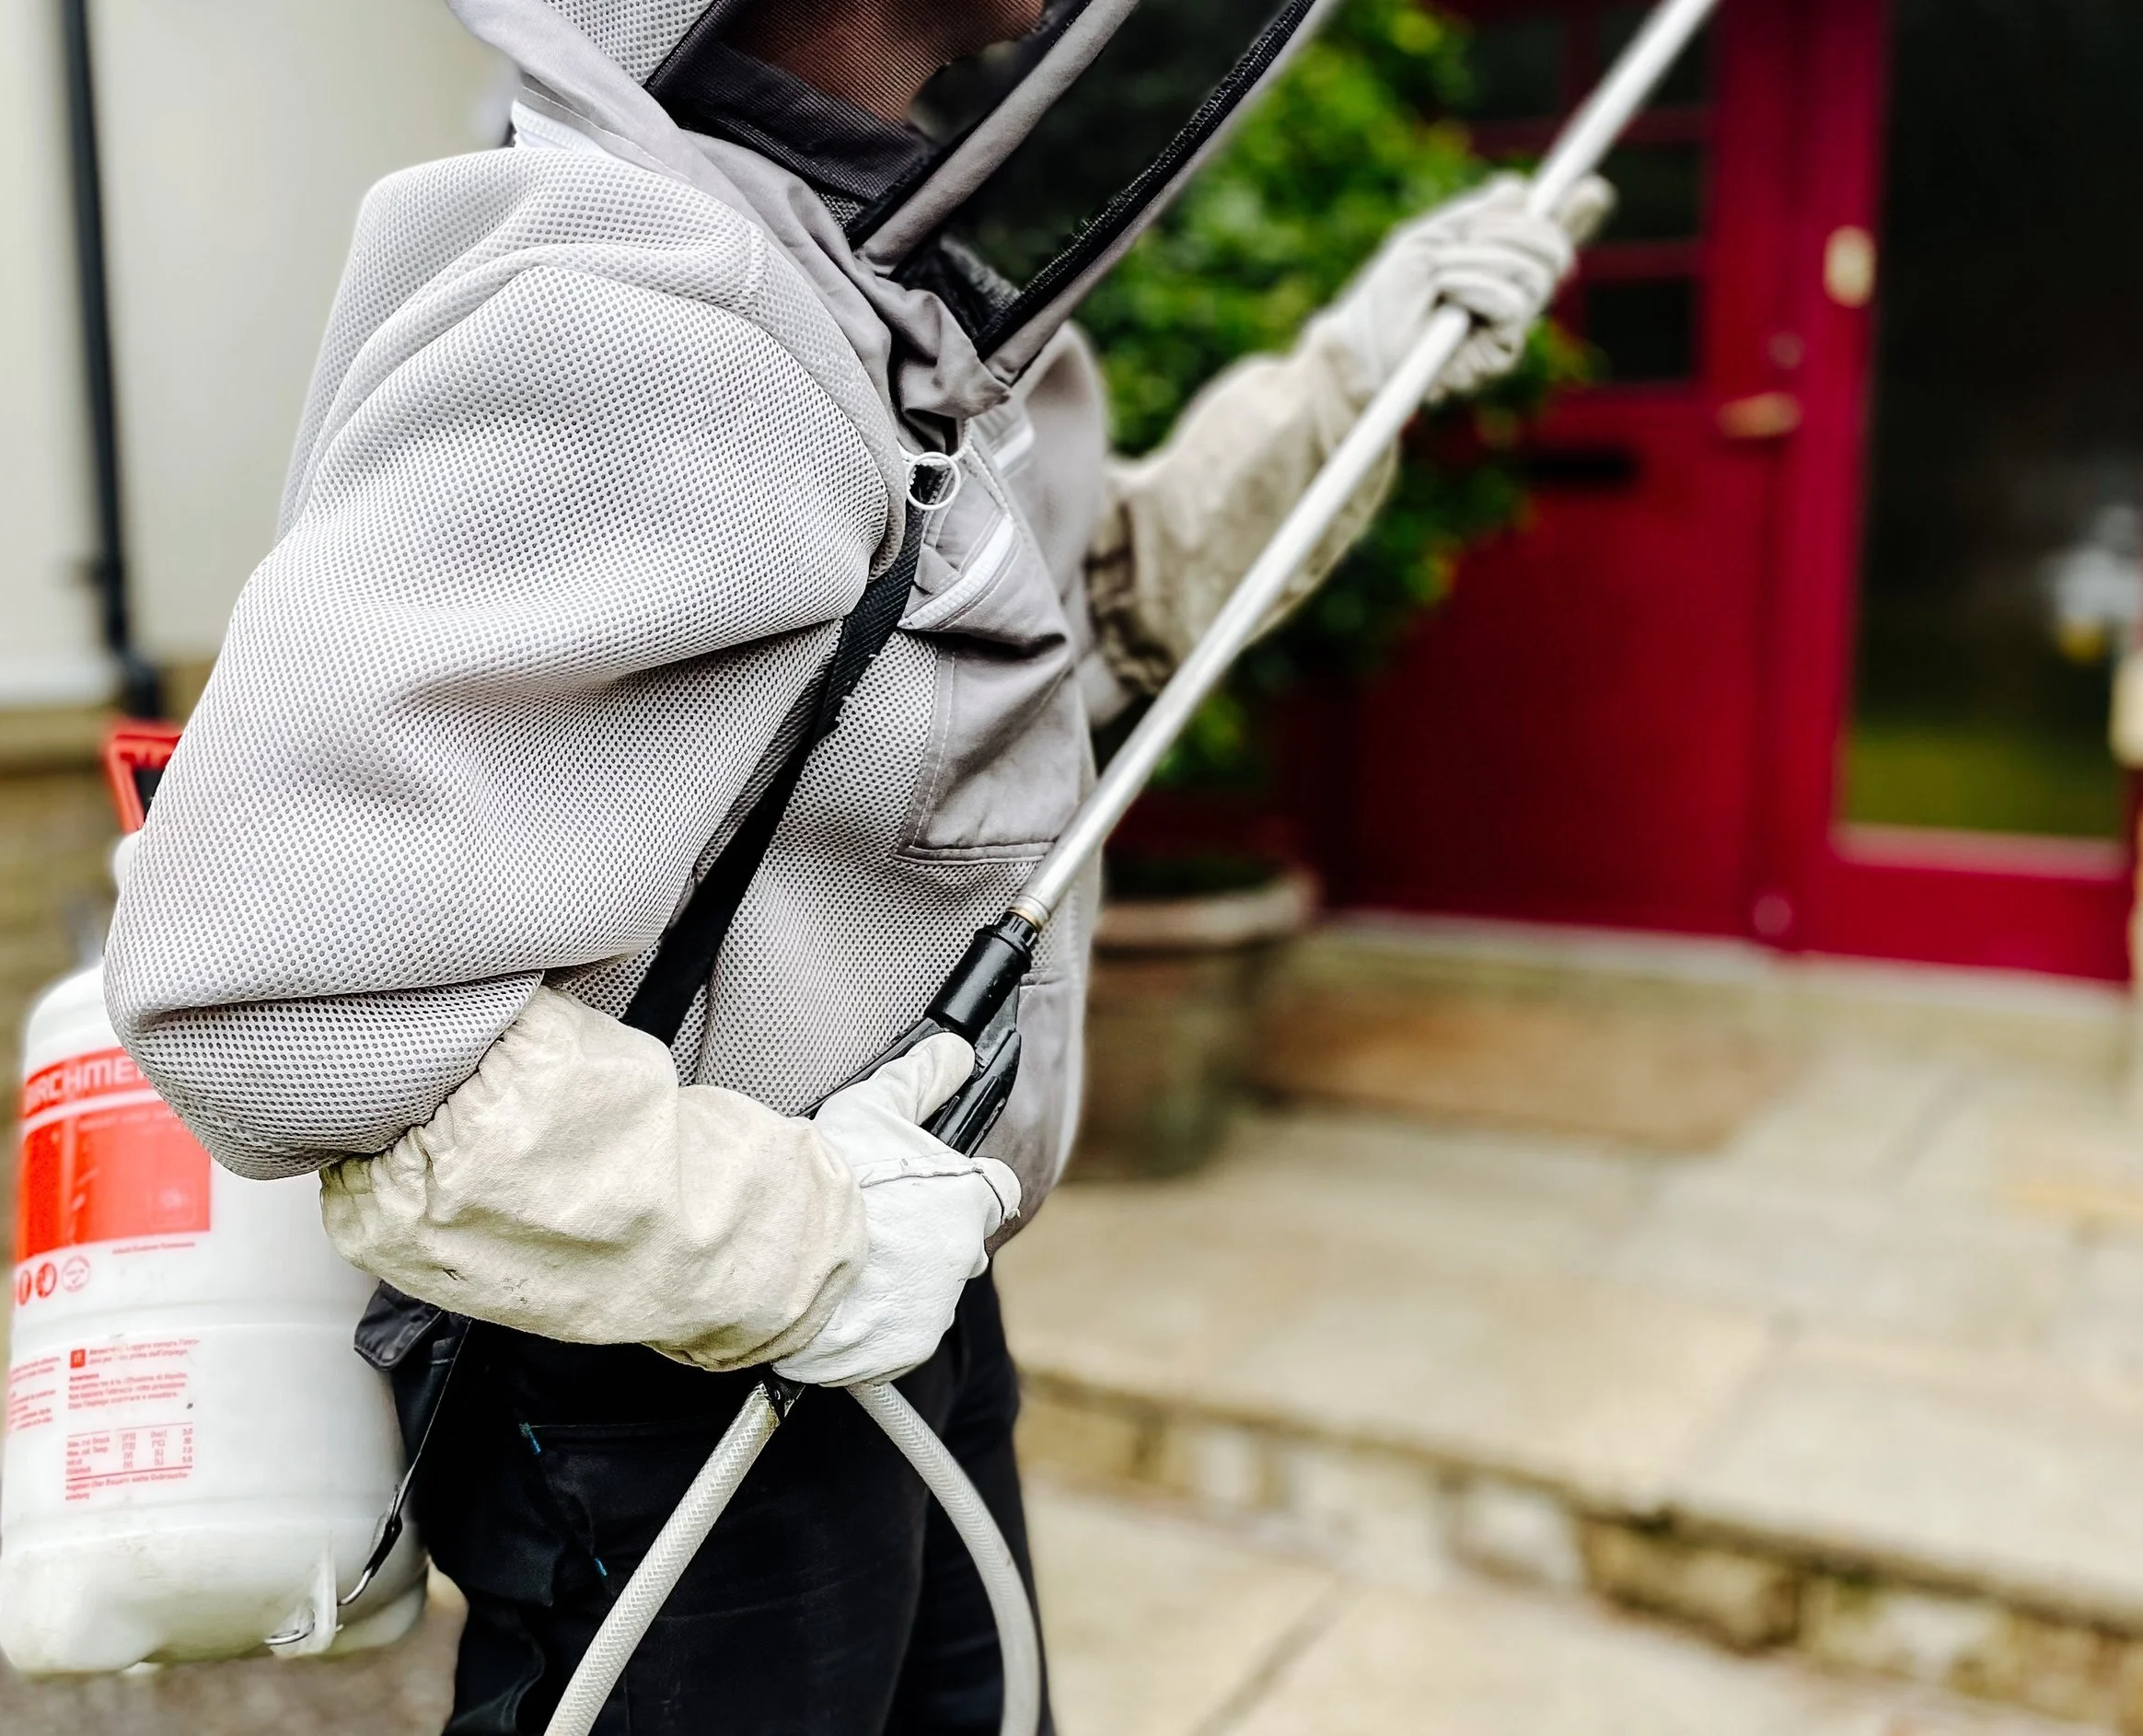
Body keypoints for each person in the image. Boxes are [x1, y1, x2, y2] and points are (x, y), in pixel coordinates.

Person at [104, 0, 1602, 1729]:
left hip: (896, 1311)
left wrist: (1369, 366)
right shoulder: (650, 315)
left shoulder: (879, 283)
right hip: (662, 1375)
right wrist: (798, 1241)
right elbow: (264, 987)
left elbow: (1068, 637)